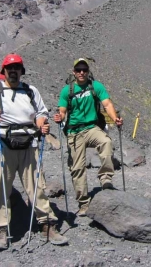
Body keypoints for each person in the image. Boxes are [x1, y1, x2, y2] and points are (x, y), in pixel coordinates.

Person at [0, 54, 68, 251]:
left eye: (17, 67)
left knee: (37, 185)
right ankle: (1, 229)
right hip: (1, 143)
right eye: (10, 68)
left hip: (29, 143)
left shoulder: (30, 91)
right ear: (4, 71)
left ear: (22, 71)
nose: (13, 71)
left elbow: (41, 112)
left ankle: (47, 224)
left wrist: (42, 122)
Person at [53, 58, 123, 217]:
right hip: (74, 131)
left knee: (106, 141)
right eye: (78, 70)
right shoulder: (67, 90)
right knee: (77, 168)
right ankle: (83, 203)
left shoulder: (96, 86)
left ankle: (105, 179)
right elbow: (62, 110)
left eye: (84, 69)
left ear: (88, 71)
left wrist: (115, 118)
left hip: (92, 127)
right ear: (74, 72)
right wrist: (60, 116)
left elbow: (107, 104)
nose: (82, 72)